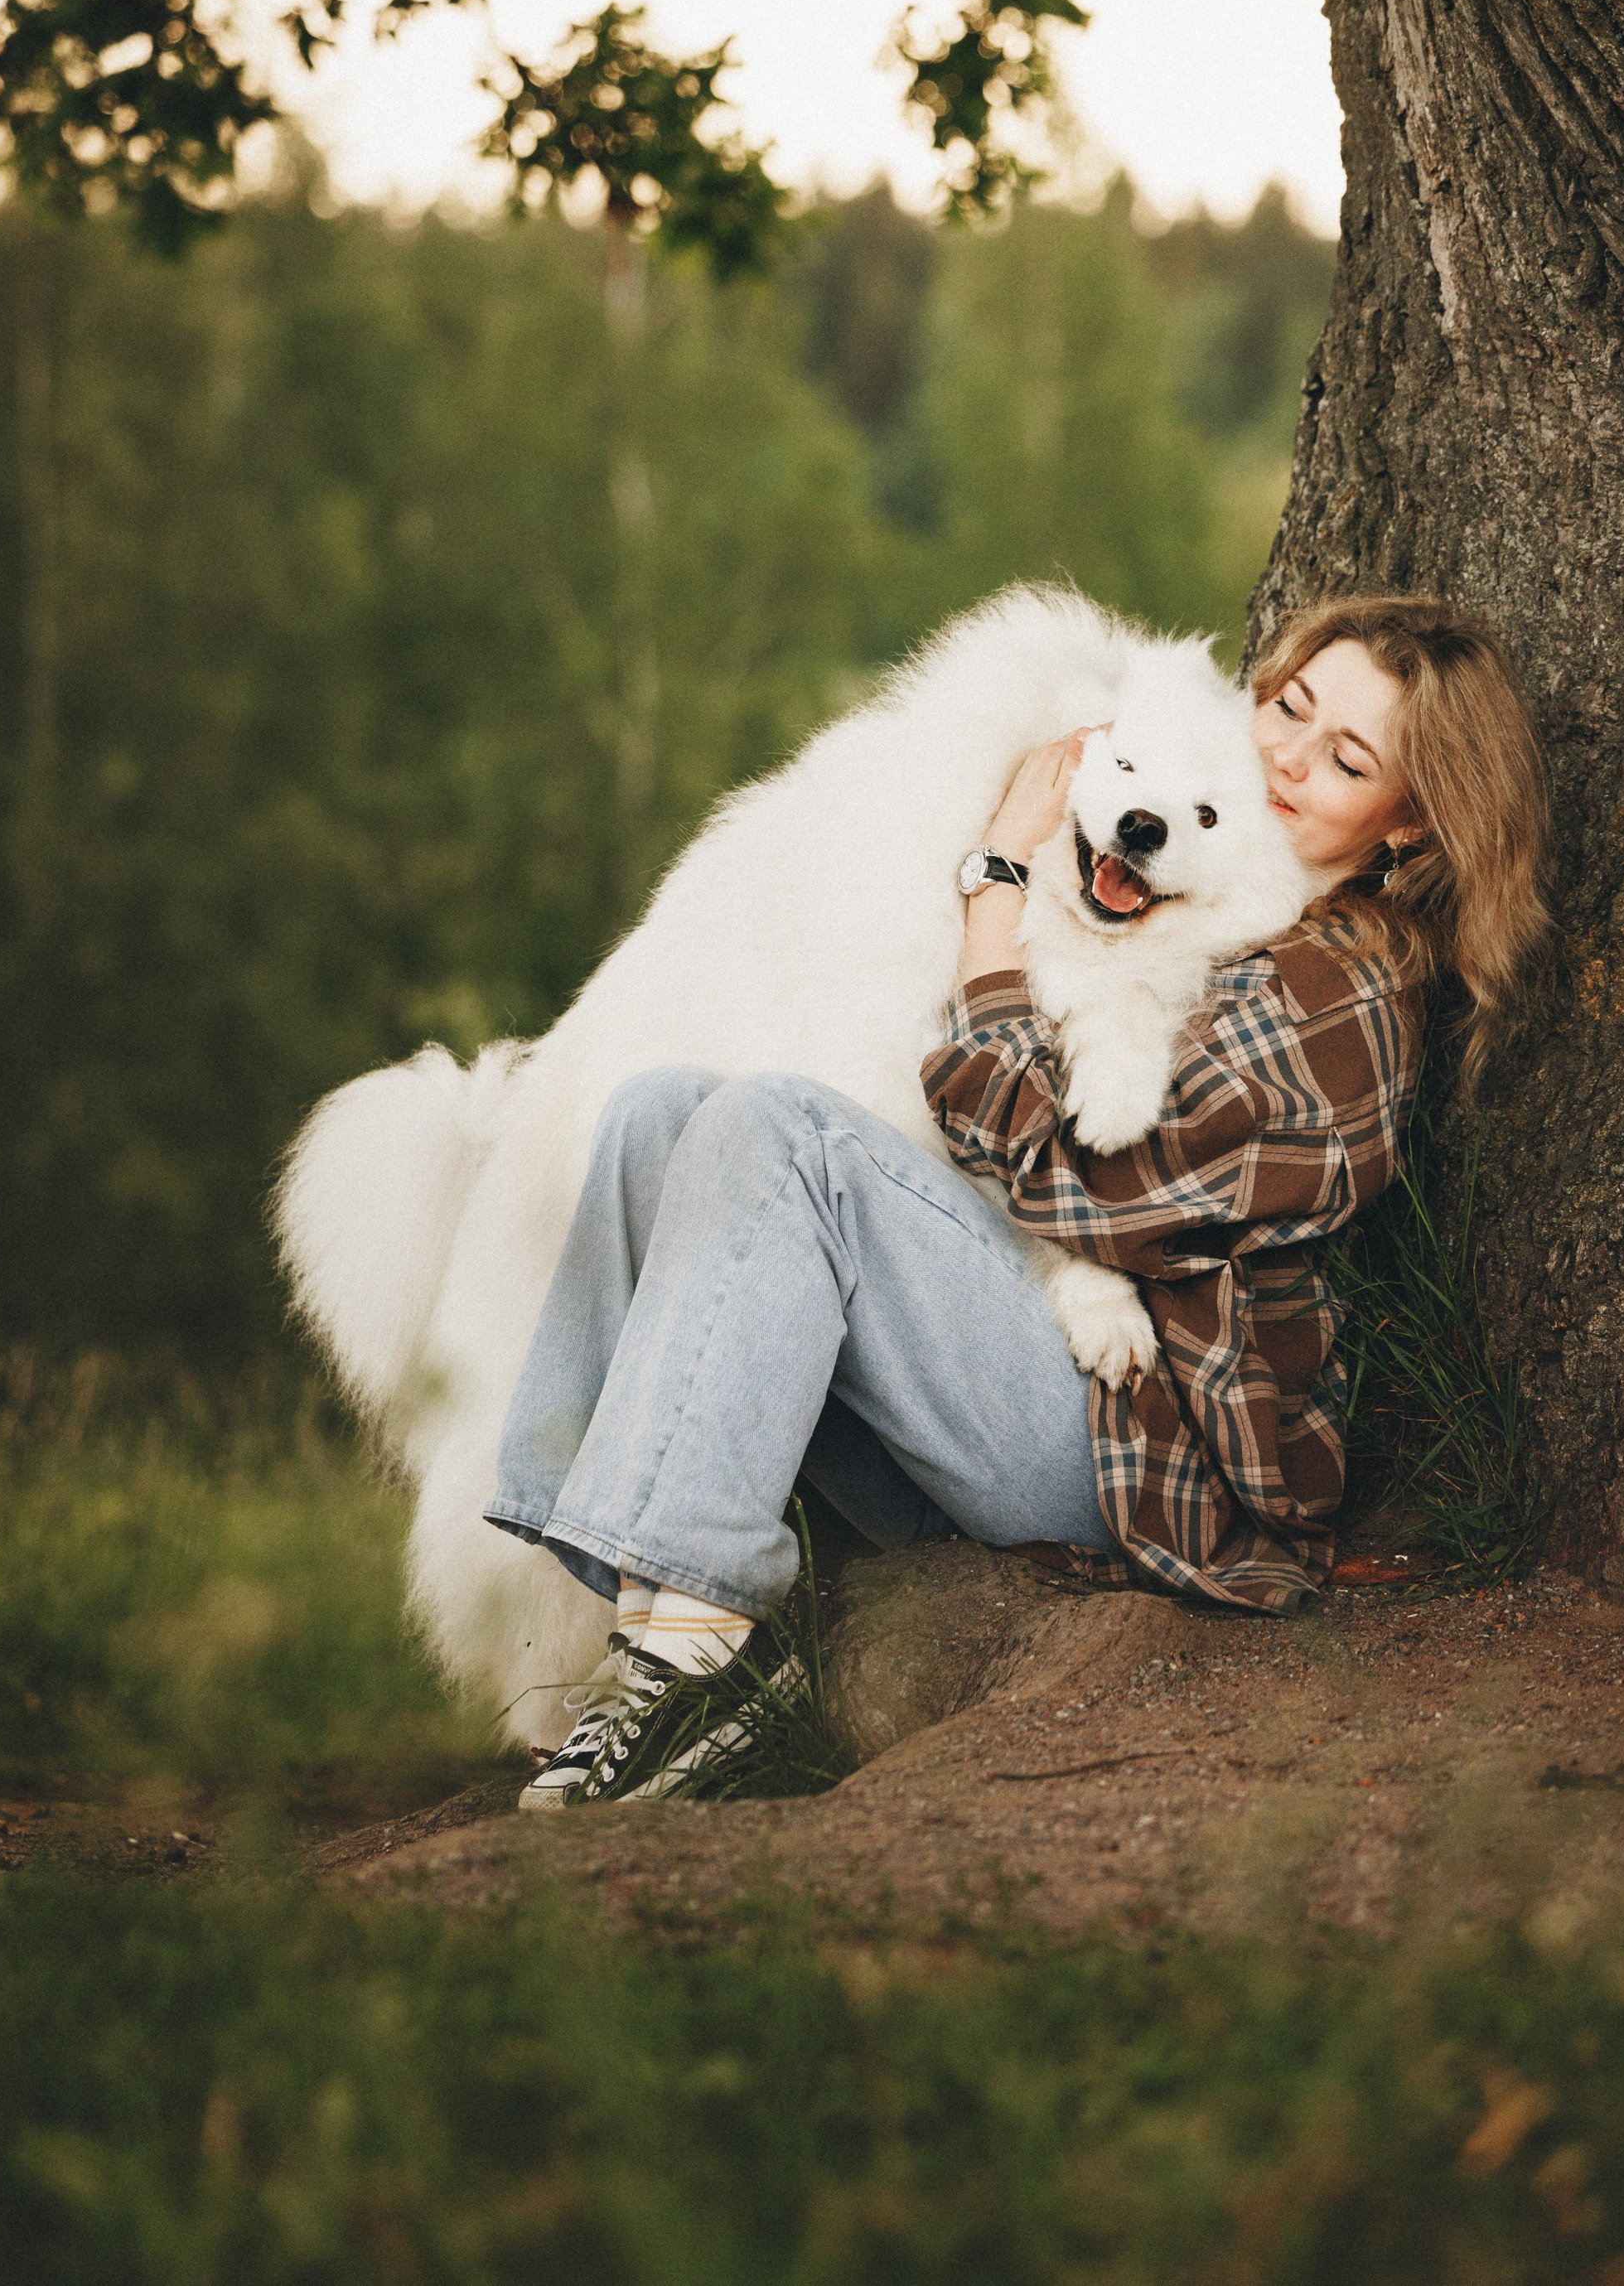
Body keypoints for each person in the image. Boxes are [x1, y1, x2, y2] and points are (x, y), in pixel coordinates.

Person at [486, 595, 1549, 1808]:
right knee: (664, 1114)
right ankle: (642, 1613)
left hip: (1130, 1455)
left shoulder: (1336, 994)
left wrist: (995, 884)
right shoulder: (1186, 865)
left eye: (1347, 759)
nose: (1286, 757)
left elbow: (1079, 1175)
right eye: (1290, 707)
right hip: (1023, 1373)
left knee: (782, 1135)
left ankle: (681, 1674)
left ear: (1410, 822)